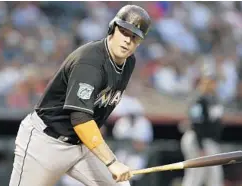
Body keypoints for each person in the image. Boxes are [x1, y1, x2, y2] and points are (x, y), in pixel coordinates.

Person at [9, 5, 151, 186]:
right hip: (46, 142)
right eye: (124, 32)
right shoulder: (90, 62)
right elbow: (80, 119)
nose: (127, 41)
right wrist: (112, 162)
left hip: (81, 145)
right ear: (112, 28)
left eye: (134, 37)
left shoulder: (128, 62)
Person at [180, 63, 224, 186]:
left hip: (209, 142)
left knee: (214, 176)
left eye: (214, 81)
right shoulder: (198, 99)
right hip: (197, 139)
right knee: (196, 174)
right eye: (209, 80)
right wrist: (199, 146)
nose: (213, 83)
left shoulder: (213, 99)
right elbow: (196, 122)